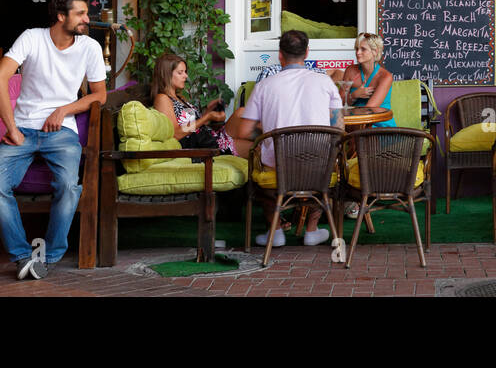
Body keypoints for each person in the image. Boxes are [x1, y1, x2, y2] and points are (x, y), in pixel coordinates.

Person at [0, 0, 107, 280]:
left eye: (85, 14)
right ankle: (22, 256)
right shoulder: (32, 37)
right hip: (23, 130)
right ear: (61, 16)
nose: (86, 20)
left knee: (67, 186)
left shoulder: (89, 47)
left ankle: (48, 257)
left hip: (62, 131)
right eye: (80, 14)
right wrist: (12, 128)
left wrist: (63, 110)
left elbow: (100, 95)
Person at [234, 30, 342, 248]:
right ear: (307, 53)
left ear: (280, 55)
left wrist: (268, 133)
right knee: (326, 162)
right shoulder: (326, 82)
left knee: (260, 164)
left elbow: (244, 132)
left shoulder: (265, 85)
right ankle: (311, 230)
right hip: (318, 169)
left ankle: (275, 232)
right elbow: (338, 127)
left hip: (278, 170)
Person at [150, 53, 252, 159]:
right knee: (256, 148)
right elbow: (175, 133)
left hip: (209, 136)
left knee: (242, 111)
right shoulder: (162, 99)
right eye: (180, 73)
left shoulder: (180, 98)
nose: (186, 76)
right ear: (167, 74)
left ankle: (268, 136)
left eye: (185, 72)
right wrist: (207, 117)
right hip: (202, 146)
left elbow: (194, 125)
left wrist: (208, 111)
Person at [342, 32, 394, 128]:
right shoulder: (350, 71)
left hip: (379, 125)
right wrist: (354, 95)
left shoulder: (385, 77)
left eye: (363, 49)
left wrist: (351, 100)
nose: (358, 53)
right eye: (357, 49)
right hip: (354, 124)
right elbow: (340, 103)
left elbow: (369, 110)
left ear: (375, 51)